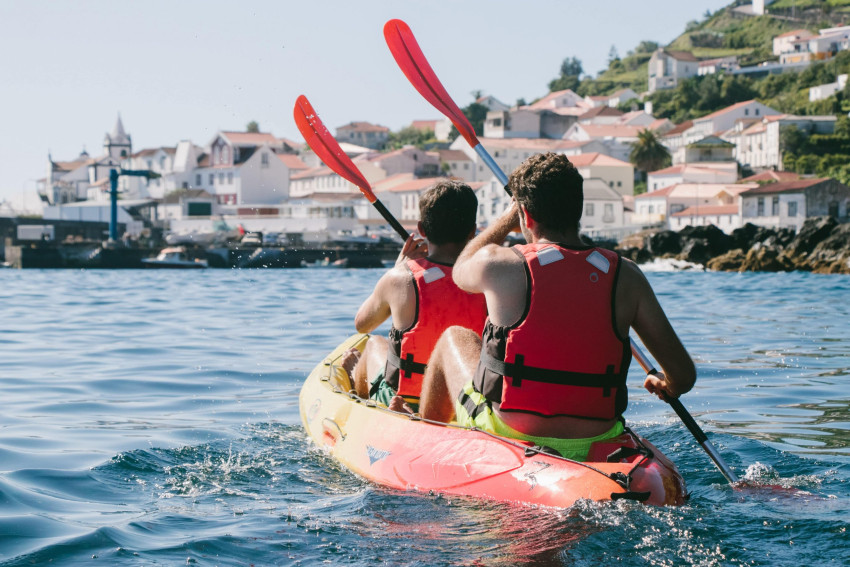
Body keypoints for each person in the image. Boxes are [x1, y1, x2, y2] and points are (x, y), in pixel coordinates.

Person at [417, 152, 696, 461]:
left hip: (510, 433)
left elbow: (460, 269)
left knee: (454, 337)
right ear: (578, 210)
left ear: (527, 215)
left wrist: (507, 220)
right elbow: (683, 376)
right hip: (599, 439)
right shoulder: (626, 275)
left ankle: (425, 444)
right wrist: (667, 384)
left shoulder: (501, 265)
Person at [343, 179, 488, 412]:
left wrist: (399, 266)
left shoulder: (400, 278)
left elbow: (362, 324)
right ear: (473, 231)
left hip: (406, 398)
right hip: (463, 398)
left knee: (373, 343)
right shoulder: (488, 280)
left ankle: (354, 376)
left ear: (421, 230)